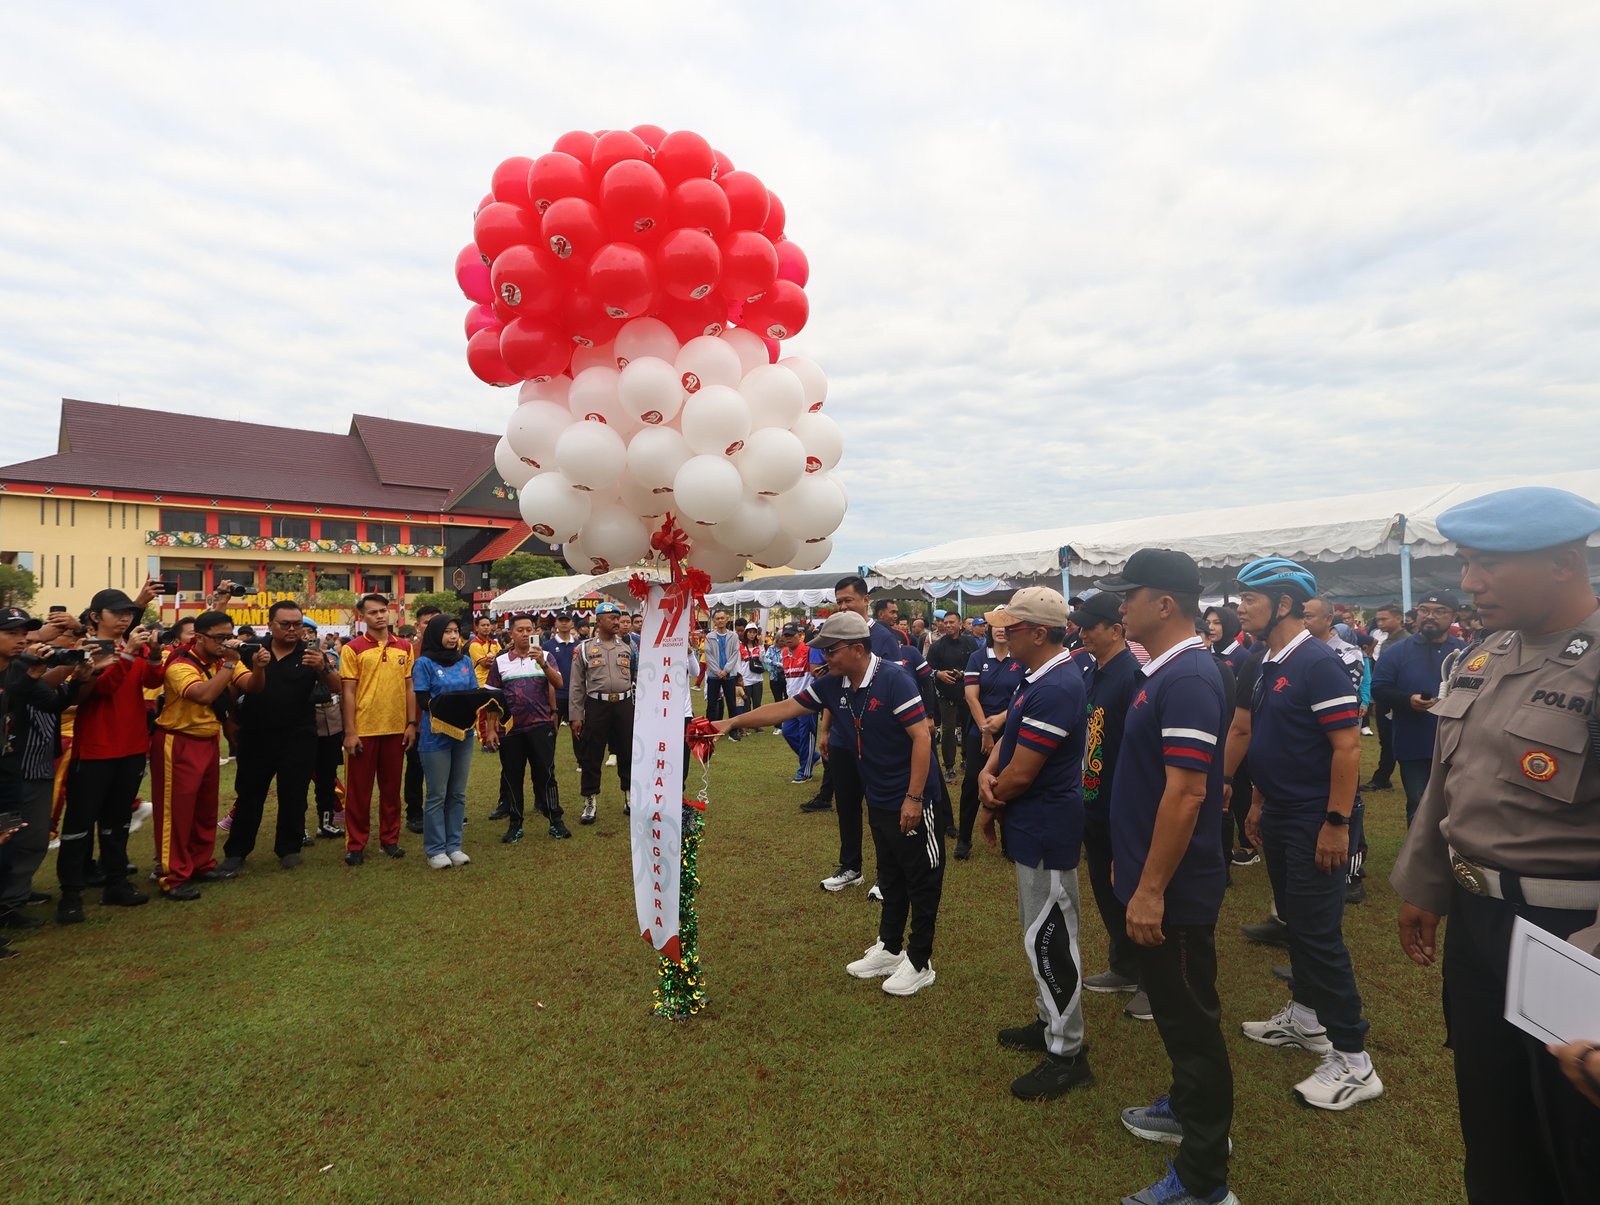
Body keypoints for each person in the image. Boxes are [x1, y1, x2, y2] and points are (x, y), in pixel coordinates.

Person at [1390, 486, 1600, 1203]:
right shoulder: (1486, 655)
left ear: (1563, 564)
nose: (1469, 584)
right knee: (1492, 1118)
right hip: (1480, 927)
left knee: (1573, 1138)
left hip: (1571, 935)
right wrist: (1426, 884)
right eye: (1467, 564)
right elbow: (1452, 781)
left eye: (1487, 566)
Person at [1098, 550, 1235, 1205]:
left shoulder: (1188, 677)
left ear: (1165, 604)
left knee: (1191, 1027)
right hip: (1156, 877)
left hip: (1175, 891)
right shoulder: (1165, 671)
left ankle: (1205, 1182)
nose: (1121, 607)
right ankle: (1184, 1109)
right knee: (1181, 1022)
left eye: (1131, 595)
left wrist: (1151, 887)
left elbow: (1185, 794)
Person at [716, 611, 940, 996]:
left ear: (857, 649)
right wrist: (732, 722)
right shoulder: (835, 683)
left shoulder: (894, 680)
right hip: (880, 795)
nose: (823, 658)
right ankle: (889, 947)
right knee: (890, 873)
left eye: (830, 650)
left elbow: (922, 738)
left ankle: (920, 961)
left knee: (921, 877)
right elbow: (786, 708)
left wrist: (914, 799)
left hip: (910, 796)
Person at [1234, 557, 1379, 1111]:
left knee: (1319, 935)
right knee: (1295, 922)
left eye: (1251, 598)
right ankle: (1306, 1019)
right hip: (1279, 811)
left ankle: (1354, 1060)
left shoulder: (1317, 662)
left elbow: (1348, 746)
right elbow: (1265, 736)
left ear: (1285, 605)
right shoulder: (1265, 658)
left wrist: (1337, 825)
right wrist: (1256, 800)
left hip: (1315, 817)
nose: (1240, 606)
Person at [976, 588, 1092, 1099]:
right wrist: (986, 770)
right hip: (1032, 822)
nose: (1002, 633)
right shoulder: (1039, 676)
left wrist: (989, 800)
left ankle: (1067, 1052)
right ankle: (1050, 1022)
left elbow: (1023, 772)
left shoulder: (1059, 684)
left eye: (1011, 627)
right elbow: (1009, 739)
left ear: (1039, 633)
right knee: (1038, 932)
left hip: (1045, 823)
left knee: (1049, 937)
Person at [55, 586, 164, 922]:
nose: (125, 618)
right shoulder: (87, 650)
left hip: (131, 747)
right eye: (117, 613)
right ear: (94, 617)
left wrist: (155, 653)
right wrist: (130, 654)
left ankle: (115, 882)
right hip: (95, 749)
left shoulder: (132, 646)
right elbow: (99, 689)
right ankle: (71, 893)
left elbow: (151, 678)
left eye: (129, 613)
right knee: (79, 824)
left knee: (116, 821)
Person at [221, 600, 341, 873]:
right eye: (285, 624)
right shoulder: (253, 650)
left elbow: (336, 687)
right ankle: (237, 851)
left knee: (294, 794)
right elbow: (233, 687)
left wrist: (323, 667)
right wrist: (231, 723)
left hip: (298, 734)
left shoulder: (311, 654)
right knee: (250, 793)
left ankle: (288, 848)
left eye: (297, 624)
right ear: (270, 624)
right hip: (256, 734)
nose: (292, 629)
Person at [1069, 591, 1145, 1015]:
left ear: (1115, 630)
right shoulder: (1093, 671)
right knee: (1105, 890)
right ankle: (1124, 965)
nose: (1081, 634)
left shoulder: (1131, 677)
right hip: (1092, 803)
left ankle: (1153, 979)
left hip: (1120, 806)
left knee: (1132, 894)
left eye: (1089, 627)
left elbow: (1135, 753)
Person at [0, 611, 91, 930]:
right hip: (13, 770)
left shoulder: (22, 667)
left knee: (27, 837)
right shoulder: (18, 672)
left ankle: (12, 900)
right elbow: (18, 695)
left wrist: (78, 678)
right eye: (12, 633)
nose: (22, 638)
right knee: (7, 839)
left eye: (26, 632)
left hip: (25, 768)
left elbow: (51, 702)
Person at [816, 576, 904, 890]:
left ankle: (886, 874)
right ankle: (850, 867)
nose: (842, 606)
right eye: (838, 601)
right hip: (842, 738)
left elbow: (893, 686)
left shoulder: (882, 637)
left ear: (865, 600)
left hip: (872, 740)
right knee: (847, 803)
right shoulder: (834, 634)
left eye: (848, 600)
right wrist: (826, 730)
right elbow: (833, 686)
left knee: (880, 809)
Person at [151, 610, 242, 901]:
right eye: (219, 637)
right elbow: (203, 695)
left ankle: (201, 863)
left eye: (229, 636)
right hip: (177, 741)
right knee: (175, 813)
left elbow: (249, 682)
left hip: (207, 739)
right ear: (199, 637)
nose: (225, 642)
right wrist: (230, 663)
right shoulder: (179, 665)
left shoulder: (218, 661)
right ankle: (172, 875)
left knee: (205, 809)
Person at [1369, 591, 1466, 825]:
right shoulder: (1397, 652)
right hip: (1414, 742)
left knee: (1458, 806)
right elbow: (1379, 689)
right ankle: (1418, 858)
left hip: (1458, 745)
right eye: (1424, 610)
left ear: (1453, 616)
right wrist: (1407, 700)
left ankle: (1451, 858)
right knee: (1418, 805)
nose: (1430, 616)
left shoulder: (1466, 653)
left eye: (1439, 611)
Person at [339, 594, 417, 865]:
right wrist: (350, 731)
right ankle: (356, 844)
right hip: (364, 730)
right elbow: (347, 691)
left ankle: (390, 840)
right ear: (362, 616)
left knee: (391, 790)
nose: (380, 616)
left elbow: (409, 688)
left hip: (396, 729)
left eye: (384, 610)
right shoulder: (353, 648)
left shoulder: (405, 647)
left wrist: (411, 723)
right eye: (373, 612)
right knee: (358, 792)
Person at [1303, 595, 1371, 904]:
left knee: (1349, 805)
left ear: (1328, 619)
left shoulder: (1347, 653)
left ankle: (1352, 874)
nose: (1303, 621)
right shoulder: (1298, 651)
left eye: (1309, 616)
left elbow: (1344, 696)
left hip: (1340, 744)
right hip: (1311, 747)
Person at [485, 614, 568, 842]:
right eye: (519, 630)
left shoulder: (546, 657)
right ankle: (515, 823)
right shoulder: (501, 662)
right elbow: (492, 699)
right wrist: (491, 729)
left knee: (546, 774)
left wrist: (542, 663)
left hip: (540, 726)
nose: (524, 634)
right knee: (513, 776)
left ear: (535, 632)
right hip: (510, 729)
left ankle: (555, 821)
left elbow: (559, 684)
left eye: (529, 630)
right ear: (510, 633)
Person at [955, 615, 1026, 861]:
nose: (1001, 631)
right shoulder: (977, 657)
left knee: (1008, 783)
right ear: (989, 629)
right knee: (972, 783)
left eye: (1006, 626)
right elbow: (971, 697)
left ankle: (1010, 841)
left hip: (1011, 730)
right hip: (979, 730)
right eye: (996, 626)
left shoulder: (1020, 658)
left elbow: (1024, 696)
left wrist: (1004, 718)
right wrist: (986, 730)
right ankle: (964, 839)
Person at [411, 615, 478, 869]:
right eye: (447, 631)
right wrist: (447, 710)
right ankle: (436, 850)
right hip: (435, 736)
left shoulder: (465, 661)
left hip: (463, 734)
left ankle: (454, 846)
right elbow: (422, 699)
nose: (453, 637)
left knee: (458, 793)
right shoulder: (424, 664)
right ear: (435, 634)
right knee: (437, 794)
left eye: (456, 631)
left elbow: (472, 693)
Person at [569, 599, 636, 823]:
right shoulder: (585, 649)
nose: (617, 622)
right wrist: (576, 715)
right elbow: (577, 684)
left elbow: (636, 676)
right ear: (599, 621)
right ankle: (590, 800)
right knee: (592, 753)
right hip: (596, 704)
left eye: (618, 618)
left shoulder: (628, 647)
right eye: (612, 618)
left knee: (628, 750)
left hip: (624, 704)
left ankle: (629, 795)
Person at [303, 619, 346, 840]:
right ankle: (298, 827)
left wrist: (323, 664)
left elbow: (337, 685)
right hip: (302, 723)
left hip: (330, 721)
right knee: (298, 778)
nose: (305, 636)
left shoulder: (327, 657)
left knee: (328, 776)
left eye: (310, 632)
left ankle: (326, 823)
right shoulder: (285, 659)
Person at [926, 610, 979, 785]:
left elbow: (978, 665)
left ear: (960, 624)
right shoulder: (937, 646)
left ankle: (966, 759)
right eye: (945, 622)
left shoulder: (970, 643)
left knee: (967, 728)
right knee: (948, 731)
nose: (948, 625)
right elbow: (927, 670)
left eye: (951, 622)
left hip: (967, 693)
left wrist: (964, 674)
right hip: (945, 695)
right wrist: (939, 674)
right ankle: (949, 766)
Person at [1361, 602, 1407, 792]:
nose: (1379, 623)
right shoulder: (1387, 640)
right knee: (1386, 739)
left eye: (1384, 618)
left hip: (1397, 698)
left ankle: (1383, 778)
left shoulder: (1406, 642)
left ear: (1398, 618)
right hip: (1385, 697)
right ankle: (1383, 777)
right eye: (1378, 619)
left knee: (1394, 739)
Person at [776, 624, 819, 784]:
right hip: (792, 702)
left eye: (790, 635)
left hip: (807, 702)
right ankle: (813, 757)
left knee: (806, 735)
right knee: (787, 732)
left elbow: (816, 674)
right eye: (785, 635)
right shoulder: (785, 653)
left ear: (799, 635)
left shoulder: (809, 651)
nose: (786, 638)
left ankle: (805, 771)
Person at [702, 610, 742, 733]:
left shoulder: (733, 636)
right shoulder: (709, 637)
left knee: (731, 703)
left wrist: (725, 670)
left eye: (722, 618)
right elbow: (708, 656)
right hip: (714, 676)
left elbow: (735, 654)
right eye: (717, 618)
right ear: (714, 621)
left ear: (727, 619)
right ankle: (710, 731)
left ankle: (733, 732)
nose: (720, 621)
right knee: (712, 704)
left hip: (729, 675)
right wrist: (718, 671)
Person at [738, 623, 767, 730]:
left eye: (754, 632)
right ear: (746, 633)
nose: (752, 634)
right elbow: (737, 661)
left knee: (757, 703)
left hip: (757, 678)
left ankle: (757, 724)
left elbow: (763, 660)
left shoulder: (758, 646)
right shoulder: (740, 645)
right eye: (750, 632)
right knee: (746, 702)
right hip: (745, 678)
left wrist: (761, 645)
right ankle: (746, 724)